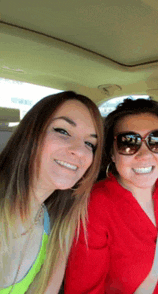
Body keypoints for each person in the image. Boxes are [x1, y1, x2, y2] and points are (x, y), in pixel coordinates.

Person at [64, 98, 158, 294]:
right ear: (112, 153)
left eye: (156, 141)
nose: (144, 155)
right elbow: (85, 289)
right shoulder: (96, 205)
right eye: (128, 143)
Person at [0, 91, 103, 294]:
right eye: (63, 131)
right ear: (31, 133)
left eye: (90, 143)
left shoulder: (59, 230)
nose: (80, 151)